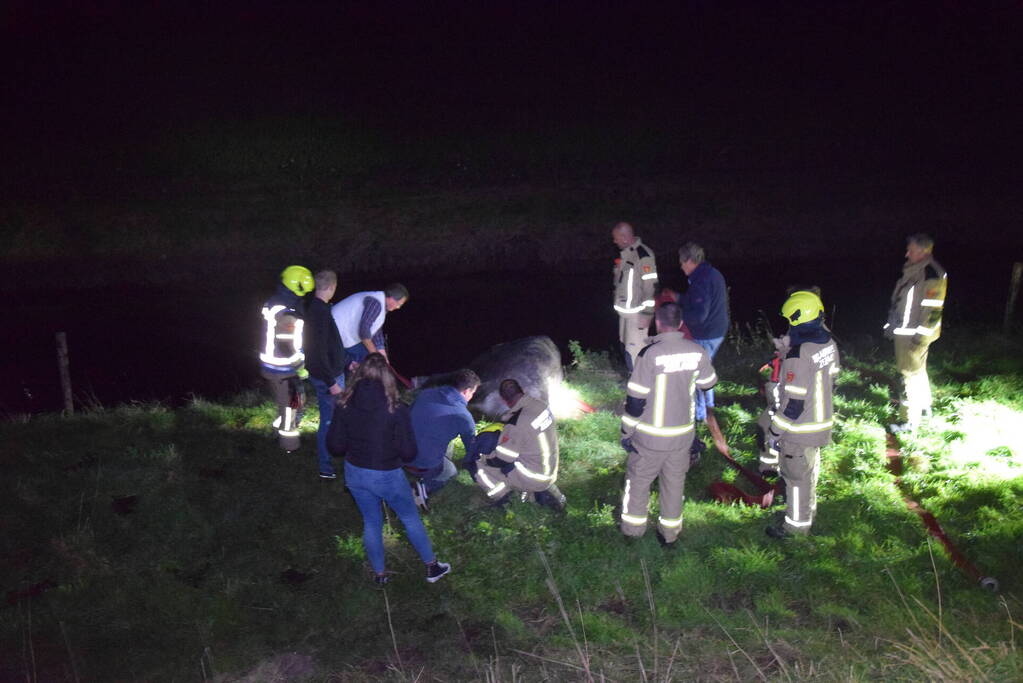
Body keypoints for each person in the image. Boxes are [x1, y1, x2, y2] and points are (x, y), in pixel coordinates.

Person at [326, 353, 451, 585]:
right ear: (388, 377)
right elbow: (409, 452)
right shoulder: (397, 408)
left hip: (355, 473)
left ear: (359, 374)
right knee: (409, 518)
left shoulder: (343, 404)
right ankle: (432, 568)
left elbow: (335, 446)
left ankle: (380, 575)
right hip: (387, 475)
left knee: (371, 521)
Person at [619, 303, 718, 546]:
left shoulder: (649, 354)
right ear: (680, 323)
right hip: (682, 436)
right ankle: (670, 535)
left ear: (658, 323)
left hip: (650, 437)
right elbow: (708, 383)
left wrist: (626, 431)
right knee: (674, 485)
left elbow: (635, 400)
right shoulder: (697, 351)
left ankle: (633, 532)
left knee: (639, 482)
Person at [765, 290, 840, 538]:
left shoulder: (798, 357)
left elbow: (793, 405)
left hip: (799, 430)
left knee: (795, 479)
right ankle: (807, 513)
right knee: (809, 473)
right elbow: (833, 380)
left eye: (790, 321)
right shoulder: (828, 343)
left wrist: (775, 431)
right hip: (821, 423)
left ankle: (795, 529)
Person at [466, 379, 566, 511]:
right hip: (548, 467)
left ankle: (504, 498)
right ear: (521, 391)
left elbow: (501, 460)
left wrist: (484, 457)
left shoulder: (516, 423)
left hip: (534, 476)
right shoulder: (540, 405)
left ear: (503, 400)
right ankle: (538, 493)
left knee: (475, 462)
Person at [883, 233, 947, 431]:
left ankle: (909, 421)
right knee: (917, 370)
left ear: (923, 251)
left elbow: (933, 310)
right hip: (905, 332)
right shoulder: (914, 271)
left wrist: (920, 337)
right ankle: (924, 406)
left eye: (910, 250)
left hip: (913, 335)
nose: (906, 253)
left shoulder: (930, 274)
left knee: (908, 374)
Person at [407, 369, 480, 507]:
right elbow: (472, 450)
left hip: (400, 453)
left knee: (441, 437)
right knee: (451, 471)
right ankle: (423, 488)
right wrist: (476, 473)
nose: (472, 396)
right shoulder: (464, 416)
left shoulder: (426, 394)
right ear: (466, 391)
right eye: (473, 393)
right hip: (420, 465)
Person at [259, 265, 314, 453]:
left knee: (289, 402)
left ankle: (279, 426)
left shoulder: (275, 302)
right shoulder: (288, 311)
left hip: (273, 365)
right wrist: (299, 366)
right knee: (292, 406)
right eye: (303, 292)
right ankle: (290, 446)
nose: (304, 296)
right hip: (283, 368)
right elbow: (284, 342)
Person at [676, 242, 729, 422]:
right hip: (717, 329)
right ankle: (707, 410)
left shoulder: (701, 279)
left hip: (707, 334)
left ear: (690, 260)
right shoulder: (710, 273)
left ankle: (702, 415)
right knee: (704, 369)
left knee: (698, 373)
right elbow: (698, 302)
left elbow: (699, 314)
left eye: (682, 262)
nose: (681, 266)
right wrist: (679, 298)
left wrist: (679, 317)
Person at [304, 270, 347, 480]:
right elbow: (318, 352)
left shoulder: (318, 309)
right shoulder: (319, 312)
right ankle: (326, 466)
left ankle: (336, 457)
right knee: (330, 420)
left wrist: (348, 361)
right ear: (332, 287)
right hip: (328, 377)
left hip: (330, 373)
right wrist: (332, 382)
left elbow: (329, 346)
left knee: (335, 418)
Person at [611, 222, 658, 371]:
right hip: (625, 314)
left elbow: (651, 286)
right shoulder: (626, 254)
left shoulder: (643, 255)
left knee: (636, 353)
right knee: (626, 349)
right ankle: (634, 383)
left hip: (637, 315)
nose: (614, 241)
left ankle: (642, 389)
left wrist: (647, 314)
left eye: (616, 238)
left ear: (624, 237)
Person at [331, 283, 409, 367]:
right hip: (334, 334)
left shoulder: (381, 304)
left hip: (342, 334)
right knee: (370, 359)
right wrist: (376, 355)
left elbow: (376, 332)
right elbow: (364, 331)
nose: (398, 307)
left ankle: (354, 370)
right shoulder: (376, 303)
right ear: (391, 298)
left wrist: (384, 357)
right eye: (399, 304)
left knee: (370, 359)